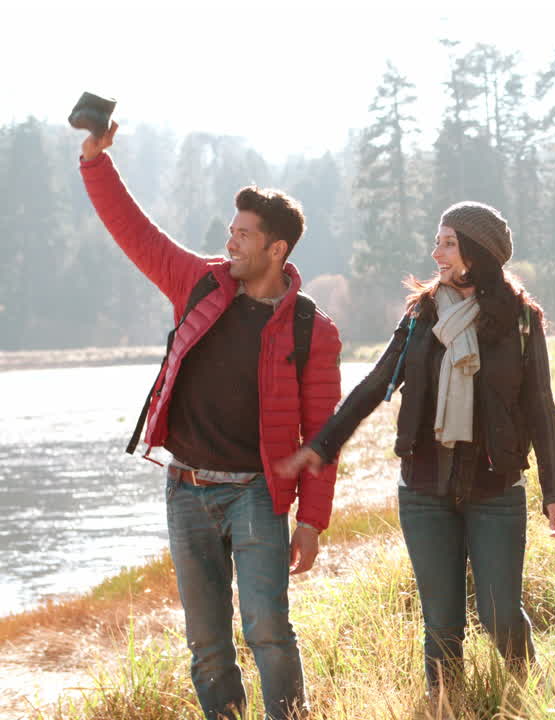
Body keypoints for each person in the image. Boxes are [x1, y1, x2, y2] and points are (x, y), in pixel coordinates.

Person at [79, 122, 343, 720]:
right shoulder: (199, 283)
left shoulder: (311, 328)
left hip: (257, 495)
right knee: (206, 646)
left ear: (277, 250)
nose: (232, 243)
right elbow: (135, 233)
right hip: (187, 490)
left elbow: (322, 438)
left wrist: (313, 522)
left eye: (245, 235)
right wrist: (95, 162)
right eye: (232, 231)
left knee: (269, 630)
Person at [276, 201, 555, 698]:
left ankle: (530, 691)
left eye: (448, 242)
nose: (436, 252)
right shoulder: (422, 315)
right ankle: (444, 706)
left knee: (498, 614)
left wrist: (553, 490)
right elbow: (375, 384)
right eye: (437, 241)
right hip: (424, 489)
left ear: (478, 253)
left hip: (495, 488)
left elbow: (541, 408)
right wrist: (321, 446)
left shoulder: (520, 320)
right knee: (441, 624)